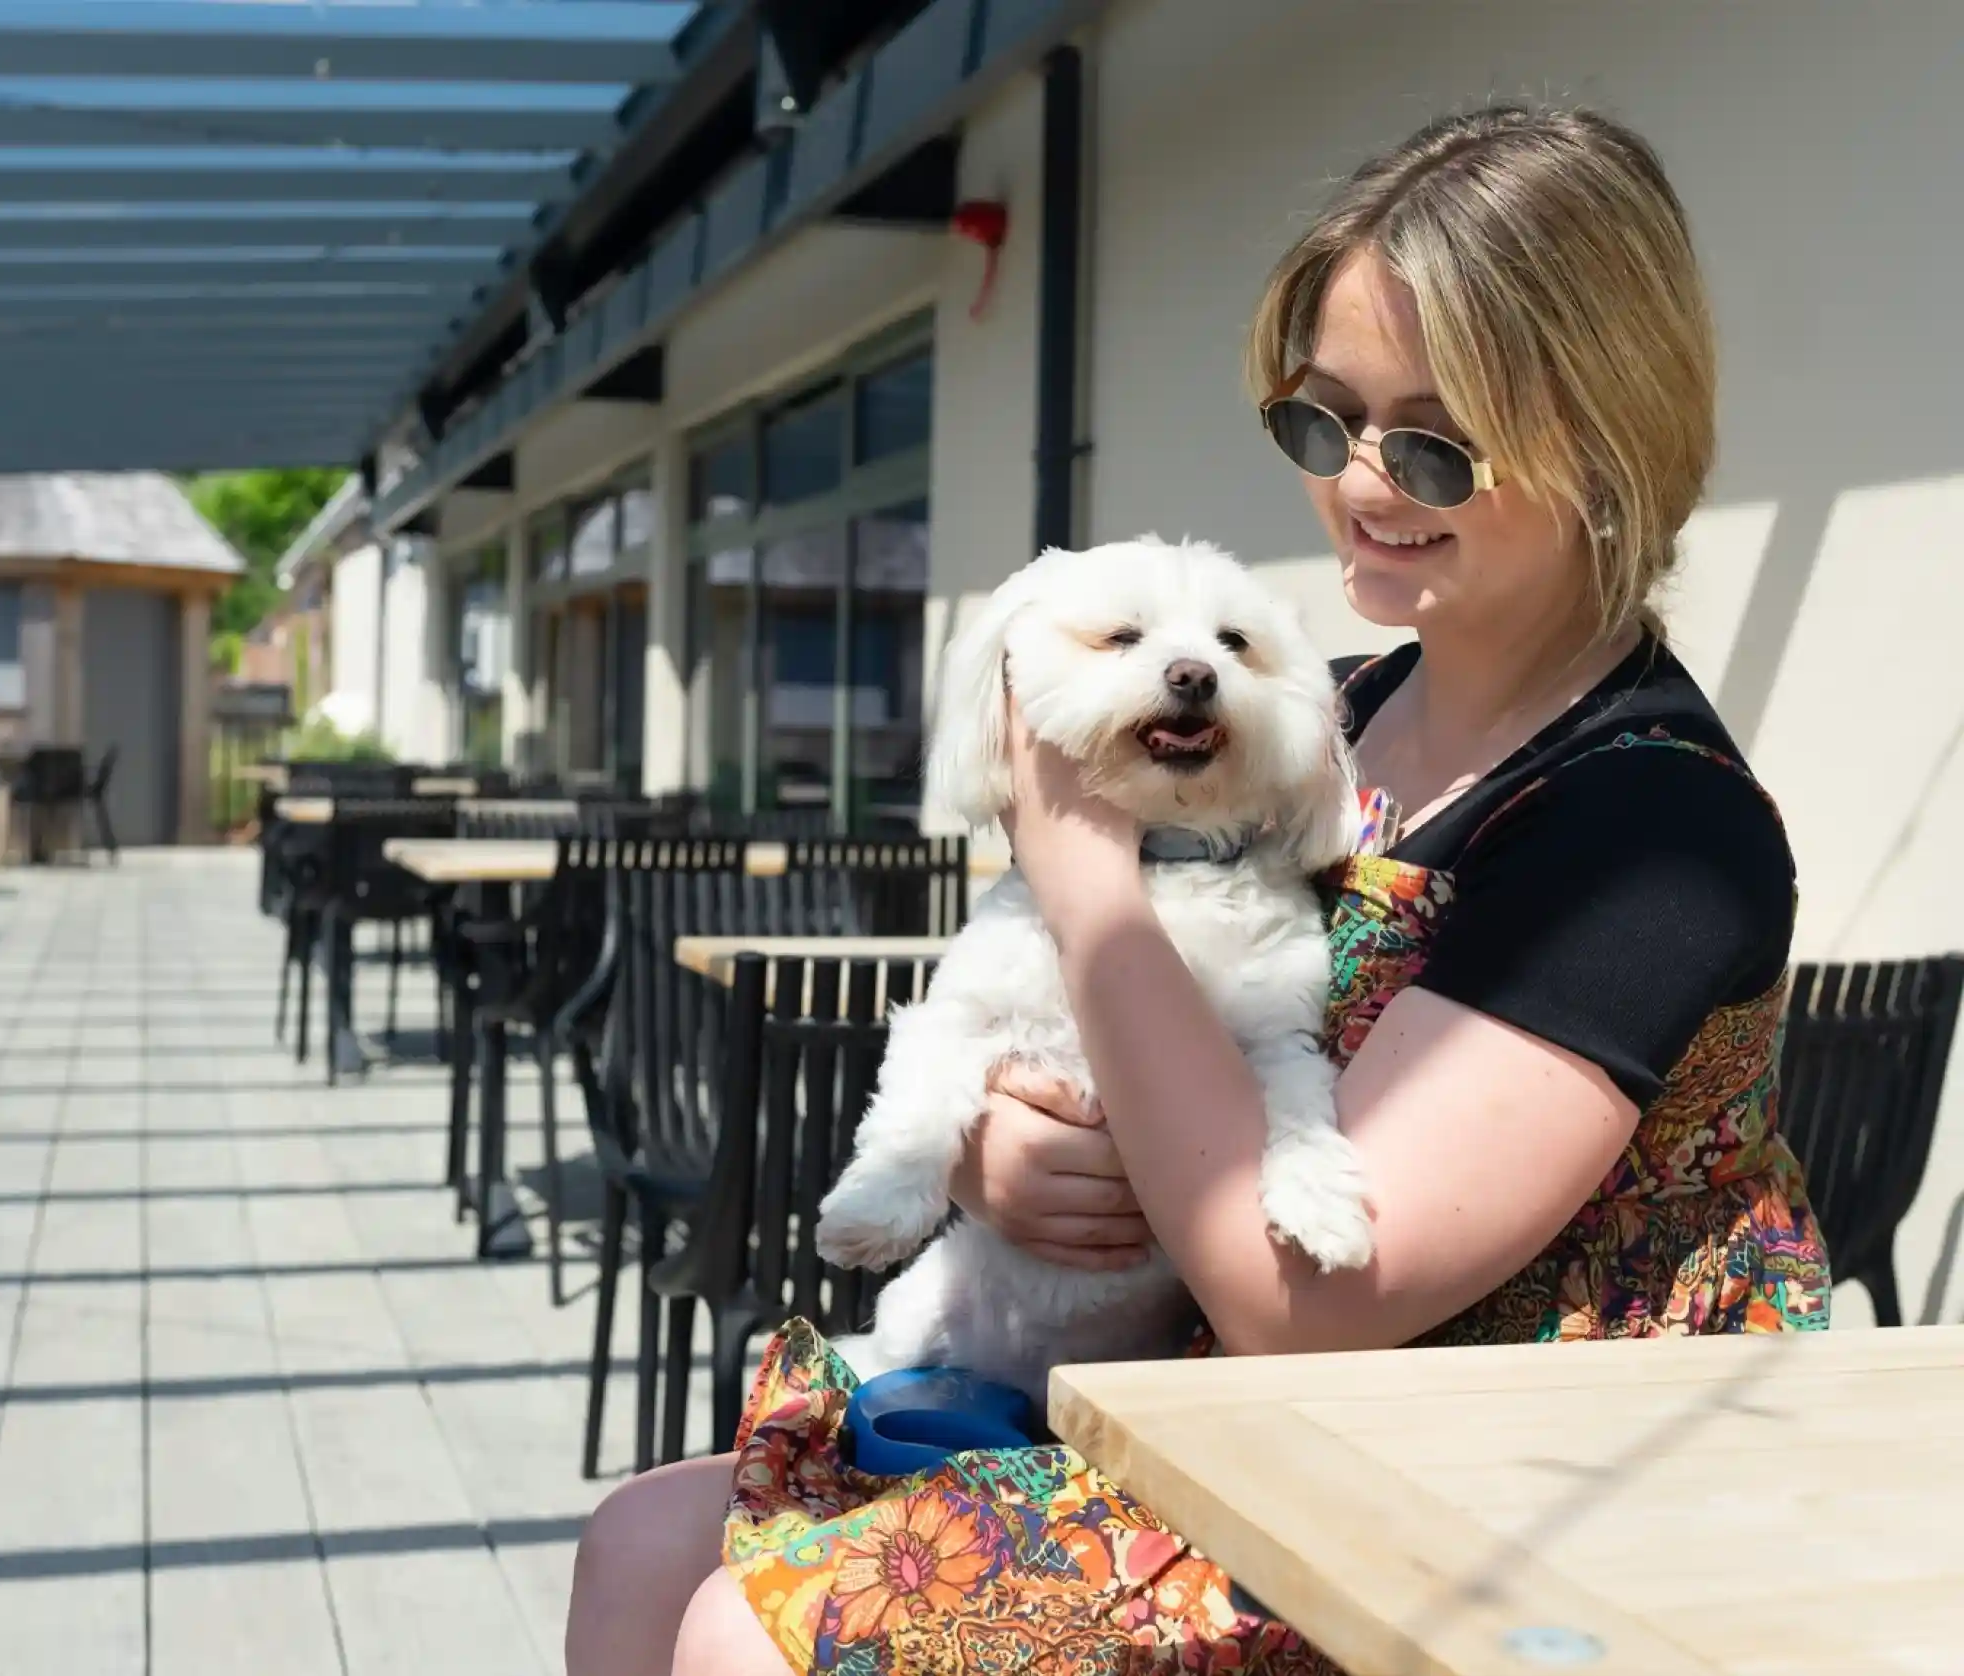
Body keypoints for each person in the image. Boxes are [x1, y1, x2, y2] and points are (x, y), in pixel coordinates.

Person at [565, 102, 1830, 1676]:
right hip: (1210, 1395)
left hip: (1494, 1485)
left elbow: (1306, 1294)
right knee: (638, 1544)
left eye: (1430, 440)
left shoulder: (1650, 829)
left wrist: (1083, 876)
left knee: (748, 1638)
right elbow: (1127, 1053)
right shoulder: (1329, 711)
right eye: (1322, 422)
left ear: (1607, 434)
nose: (1364, 483)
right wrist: (999, 1160)